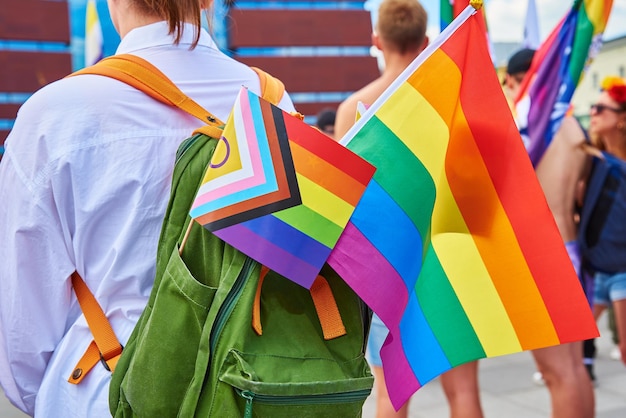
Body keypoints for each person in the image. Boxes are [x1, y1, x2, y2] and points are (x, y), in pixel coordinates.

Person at [0, 1, 295, 416]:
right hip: (249, 388)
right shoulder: (274, 103)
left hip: (105, 387)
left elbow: (21, 338)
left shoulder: (52, 115)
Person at [336, 1, 484, 417]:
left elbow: (346, 206)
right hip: (447, 262)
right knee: (465, 392)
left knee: (391, 395)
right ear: (424, 42)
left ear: (376, 41)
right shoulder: (447, 109)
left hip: (388, 271)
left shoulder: (354, 110)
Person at [504, 48, 595, 418]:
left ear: (515, 81)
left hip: (543, 257)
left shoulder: (527, 123)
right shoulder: (570, 123)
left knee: (556, 373)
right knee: (574, 368)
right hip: (572, 248)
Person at [578, 76, 626, 372]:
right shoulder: (590, 158)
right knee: (574, 343)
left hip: (623, 269)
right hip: (594, 268)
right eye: (593, 108)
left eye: (601, 109)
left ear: (622, 119)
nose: (593, 113)